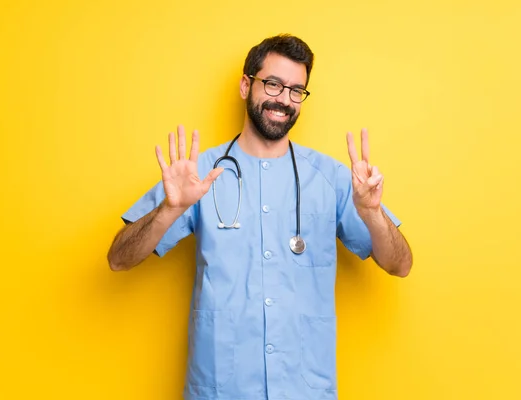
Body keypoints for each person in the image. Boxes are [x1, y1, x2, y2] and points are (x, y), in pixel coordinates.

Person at [107, 34, 413, 400]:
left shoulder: (333, 179)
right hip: (221, 391)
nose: (283, 99)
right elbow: (118, 259)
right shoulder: (199, 174)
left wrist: (372, 214)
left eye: (296, 90)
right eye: (273, 84)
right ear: (245, 85)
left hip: (305, 391)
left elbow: (401, 265)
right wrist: (169, 209)